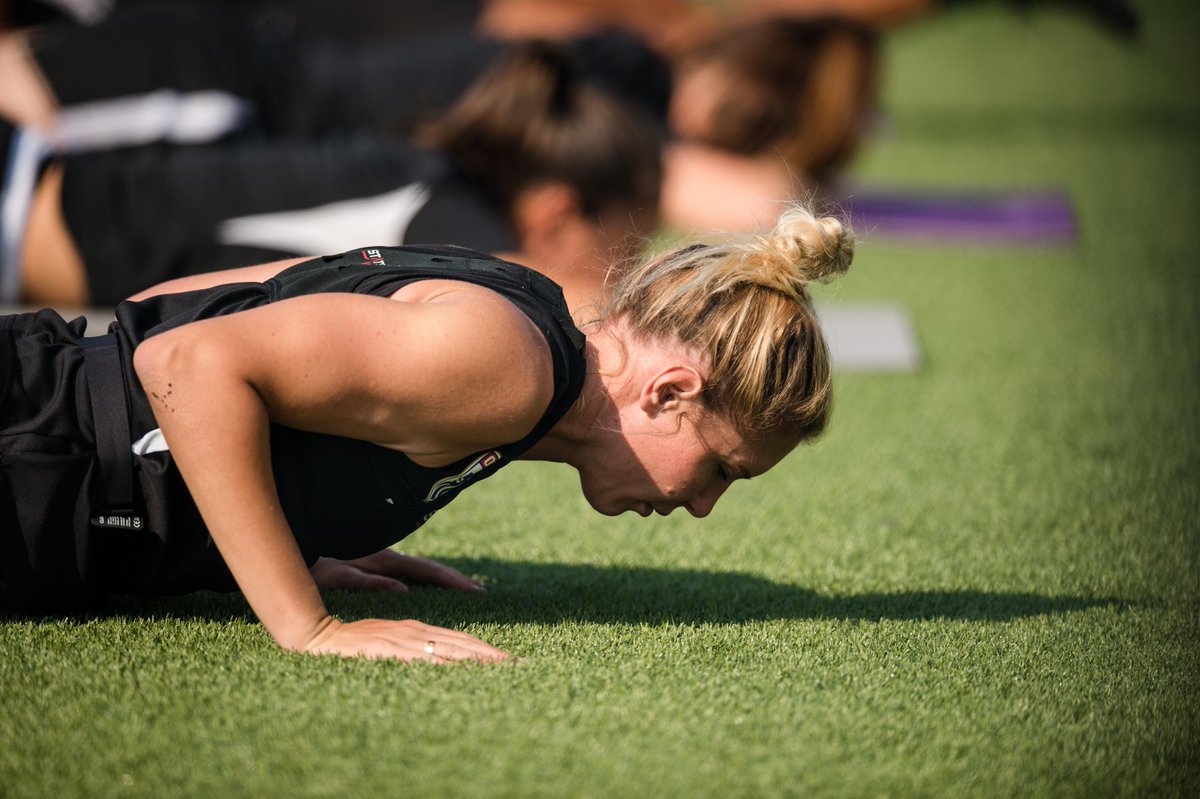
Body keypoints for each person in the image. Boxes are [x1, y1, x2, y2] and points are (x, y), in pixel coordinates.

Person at [0, 203, 854, 663]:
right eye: (720, 471)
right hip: (34, 458)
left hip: (39, 394)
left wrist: (288, 523)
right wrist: (309, 624)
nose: (702, 507)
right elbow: (184, 362)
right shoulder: (511, 371)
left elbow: (190, 305)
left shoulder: (522, 301)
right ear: (671, 392)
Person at [2, 38, 662, 311]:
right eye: (623, 250)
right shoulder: (442, 210)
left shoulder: (426, 181)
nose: (619, 269)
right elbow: (580, 309)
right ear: (555, 212)